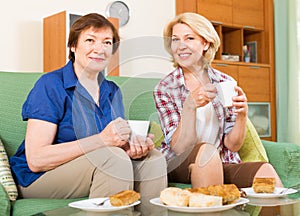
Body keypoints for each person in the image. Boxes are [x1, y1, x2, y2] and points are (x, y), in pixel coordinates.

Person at [9, 13, 167, 205]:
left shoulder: (112, 91)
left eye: (107, 42)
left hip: (95, 165)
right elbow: (36, 159)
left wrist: (133, 146)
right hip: (39, 177)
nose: (99, 49)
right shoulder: (50, 85)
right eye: (90, 40)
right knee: (113, 159)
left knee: (153, 160)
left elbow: (113, 141)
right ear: (73, 46)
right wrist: (102, 140)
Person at [153, 12, 282, 188]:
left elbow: (233, 145)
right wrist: (190, 106)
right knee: (207, 153)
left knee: (265, 172)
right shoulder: (165, 88)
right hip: (178, 163)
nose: (180, 46)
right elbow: (179, 148)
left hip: (220, 161)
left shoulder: (225, 82)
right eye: (175, 40)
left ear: (205, 43)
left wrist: (242, 115)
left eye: (189, 38)